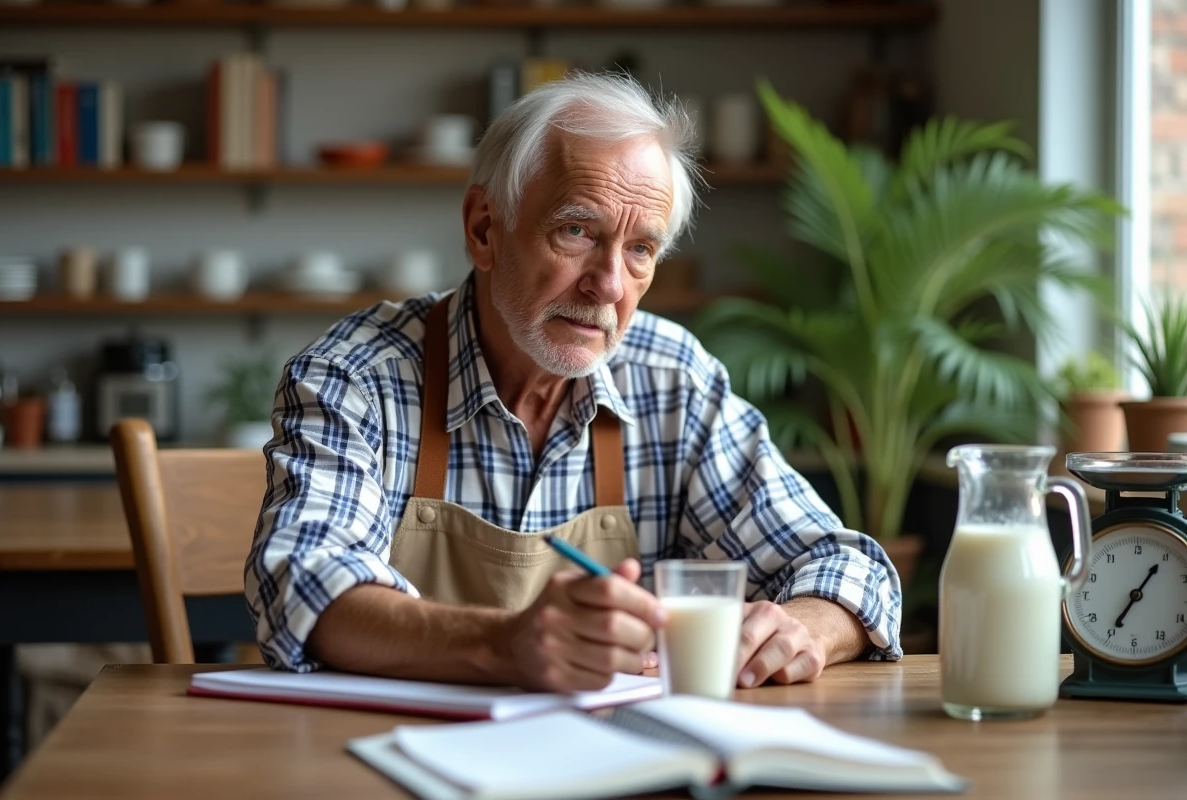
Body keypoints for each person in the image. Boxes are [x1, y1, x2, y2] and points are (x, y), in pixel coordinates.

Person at [246, 72, 902, 693]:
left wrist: (801, 627)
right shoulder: (355, 379)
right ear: (484, 229)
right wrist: (505, 644)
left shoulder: (672, 380)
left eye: (640, 249)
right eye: (576, 231)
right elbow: (303, 586)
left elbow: (852, 569)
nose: (609, 286)